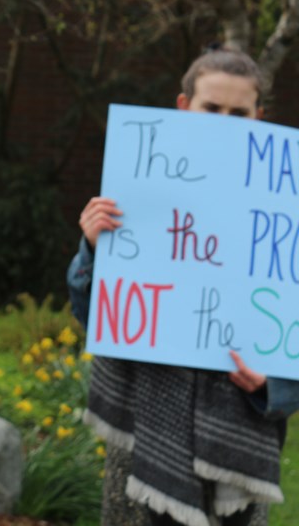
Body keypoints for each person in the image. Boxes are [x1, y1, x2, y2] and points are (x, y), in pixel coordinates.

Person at [67, 49, 299, 526]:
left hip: (240, 440)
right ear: (183, 106)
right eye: (211, 109)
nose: (224, 123)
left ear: (260, 117)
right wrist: (92, 247)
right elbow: (91, 313)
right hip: (146, 429)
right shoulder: (140, 183)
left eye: (239, 114)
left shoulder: (285, 205)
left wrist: (275, 384)